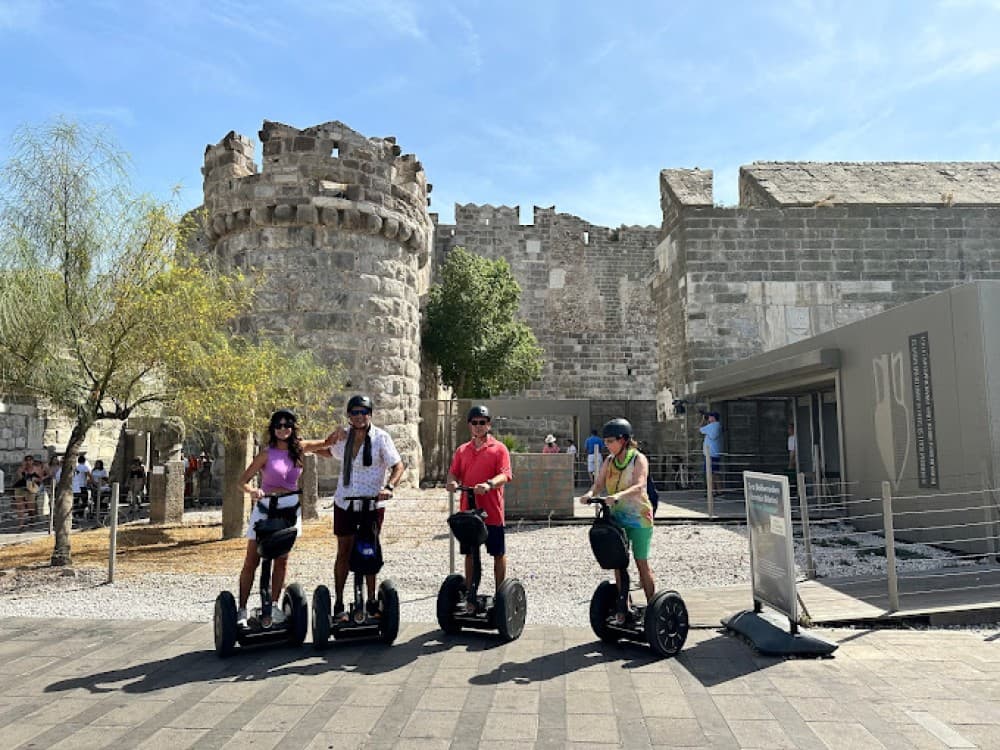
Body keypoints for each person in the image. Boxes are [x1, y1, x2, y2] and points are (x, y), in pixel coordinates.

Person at [237, 408, 329, 628]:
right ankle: (241, 608)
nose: (283, 429)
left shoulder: (300, 449)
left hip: (289, 508)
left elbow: (326, 443)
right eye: (278, 425)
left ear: (293, 428)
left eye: (287, 425)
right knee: (253, 559)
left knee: (282, 558)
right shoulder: (266, 454)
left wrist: (342, 434)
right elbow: (242, 481)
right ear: (273, 428)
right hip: (266, 507)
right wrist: (252, 492)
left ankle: (275, 604)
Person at [324, 395, 405, 623]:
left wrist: (389, 487)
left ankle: (371, 601)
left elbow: (397, 465)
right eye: (354, 413)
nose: (359, 417)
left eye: (363, 412)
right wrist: (301, 447)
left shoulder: (381, 438)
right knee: (344, 551)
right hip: (345, 502)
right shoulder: (344, 438)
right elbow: (327, 451)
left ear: (370, 413)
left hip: (371, 503)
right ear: (349, 416)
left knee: (369, 550)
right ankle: (339, 603)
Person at [577, 418, 656, 607]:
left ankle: (653, 607)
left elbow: (640, 485)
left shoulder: (638, 458)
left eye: (610, 441)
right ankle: (624, 606)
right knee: (618, 563)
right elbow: (598, 484)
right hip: (618, 519)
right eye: (605, 441)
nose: (607, 445)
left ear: (623, 440)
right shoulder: (610, 461)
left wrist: (619, 495)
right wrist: (589, 494)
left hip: (639, 519)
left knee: (640, 563)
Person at [446, 405, 513, 609]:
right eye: (474, 423)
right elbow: (453, 473)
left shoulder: (499, 448)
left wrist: (489, 484)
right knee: (469, 553)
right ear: (469, 425)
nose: (478, 426)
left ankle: (501, 595)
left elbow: (506, 474)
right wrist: (452, 482)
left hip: (491, 512)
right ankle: (469, 593)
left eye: (482, 423)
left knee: (497, 552)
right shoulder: (462, 450)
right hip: (469, 512)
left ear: (488, 425)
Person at [12, 455, 44, 531]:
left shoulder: (37, 469)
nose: (28, 461)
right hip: (20, 488)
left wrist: (35, 479)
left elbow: (41, 479)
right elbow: (19, 477)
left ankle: (32, 518)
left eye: (30, 460)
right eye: (26, 460)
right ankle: (21, 525)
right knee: (20, 507)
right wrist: (23, 468)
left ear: (33, 461)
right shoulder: (21, 469)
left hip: (31, 489)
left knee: (30, 507)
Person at [699, 411, 723, 491]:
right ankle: (719, 490)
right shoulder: (718, 426)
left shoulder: (711, 426)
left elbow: (701, 429)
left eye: (709, 417)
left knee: (710, 473)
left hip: (710, 453)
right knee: (715, 473)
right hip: (715, 452)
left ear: (713, 418)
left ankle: (712, 490)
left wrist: (703, 420)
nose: (708, 418)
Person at [71, 454, 93, 519]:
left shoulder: (76, 467)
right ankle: (80, 513)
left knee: (76, 501)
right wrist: (91, 482)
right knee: (84, 501)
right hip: (83, 486)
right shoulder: (85, 467)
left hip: (76, 486)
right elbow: (90, 476)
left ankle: (75, 514)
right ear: (84, 461)